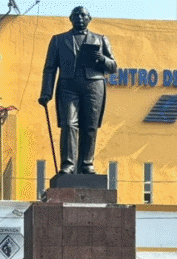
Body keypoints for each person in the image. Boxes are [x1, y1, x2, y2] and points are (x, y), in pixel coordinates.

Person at [38, 6, 117, 175]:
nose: (79, 18)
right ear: (70, 18)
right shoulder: (58, 40)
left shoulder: (100, 39)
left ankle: (86, 164)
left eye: (83, 15)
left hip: (93, 86)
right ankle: (68, 164)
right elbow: (50, 68)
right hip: (68, 86)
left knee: (89, 126)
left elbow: (113, 67)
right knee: (68, 124)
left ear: (89, 18)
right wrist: (46, 92)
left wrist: (101, 59)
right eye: (76, 15)